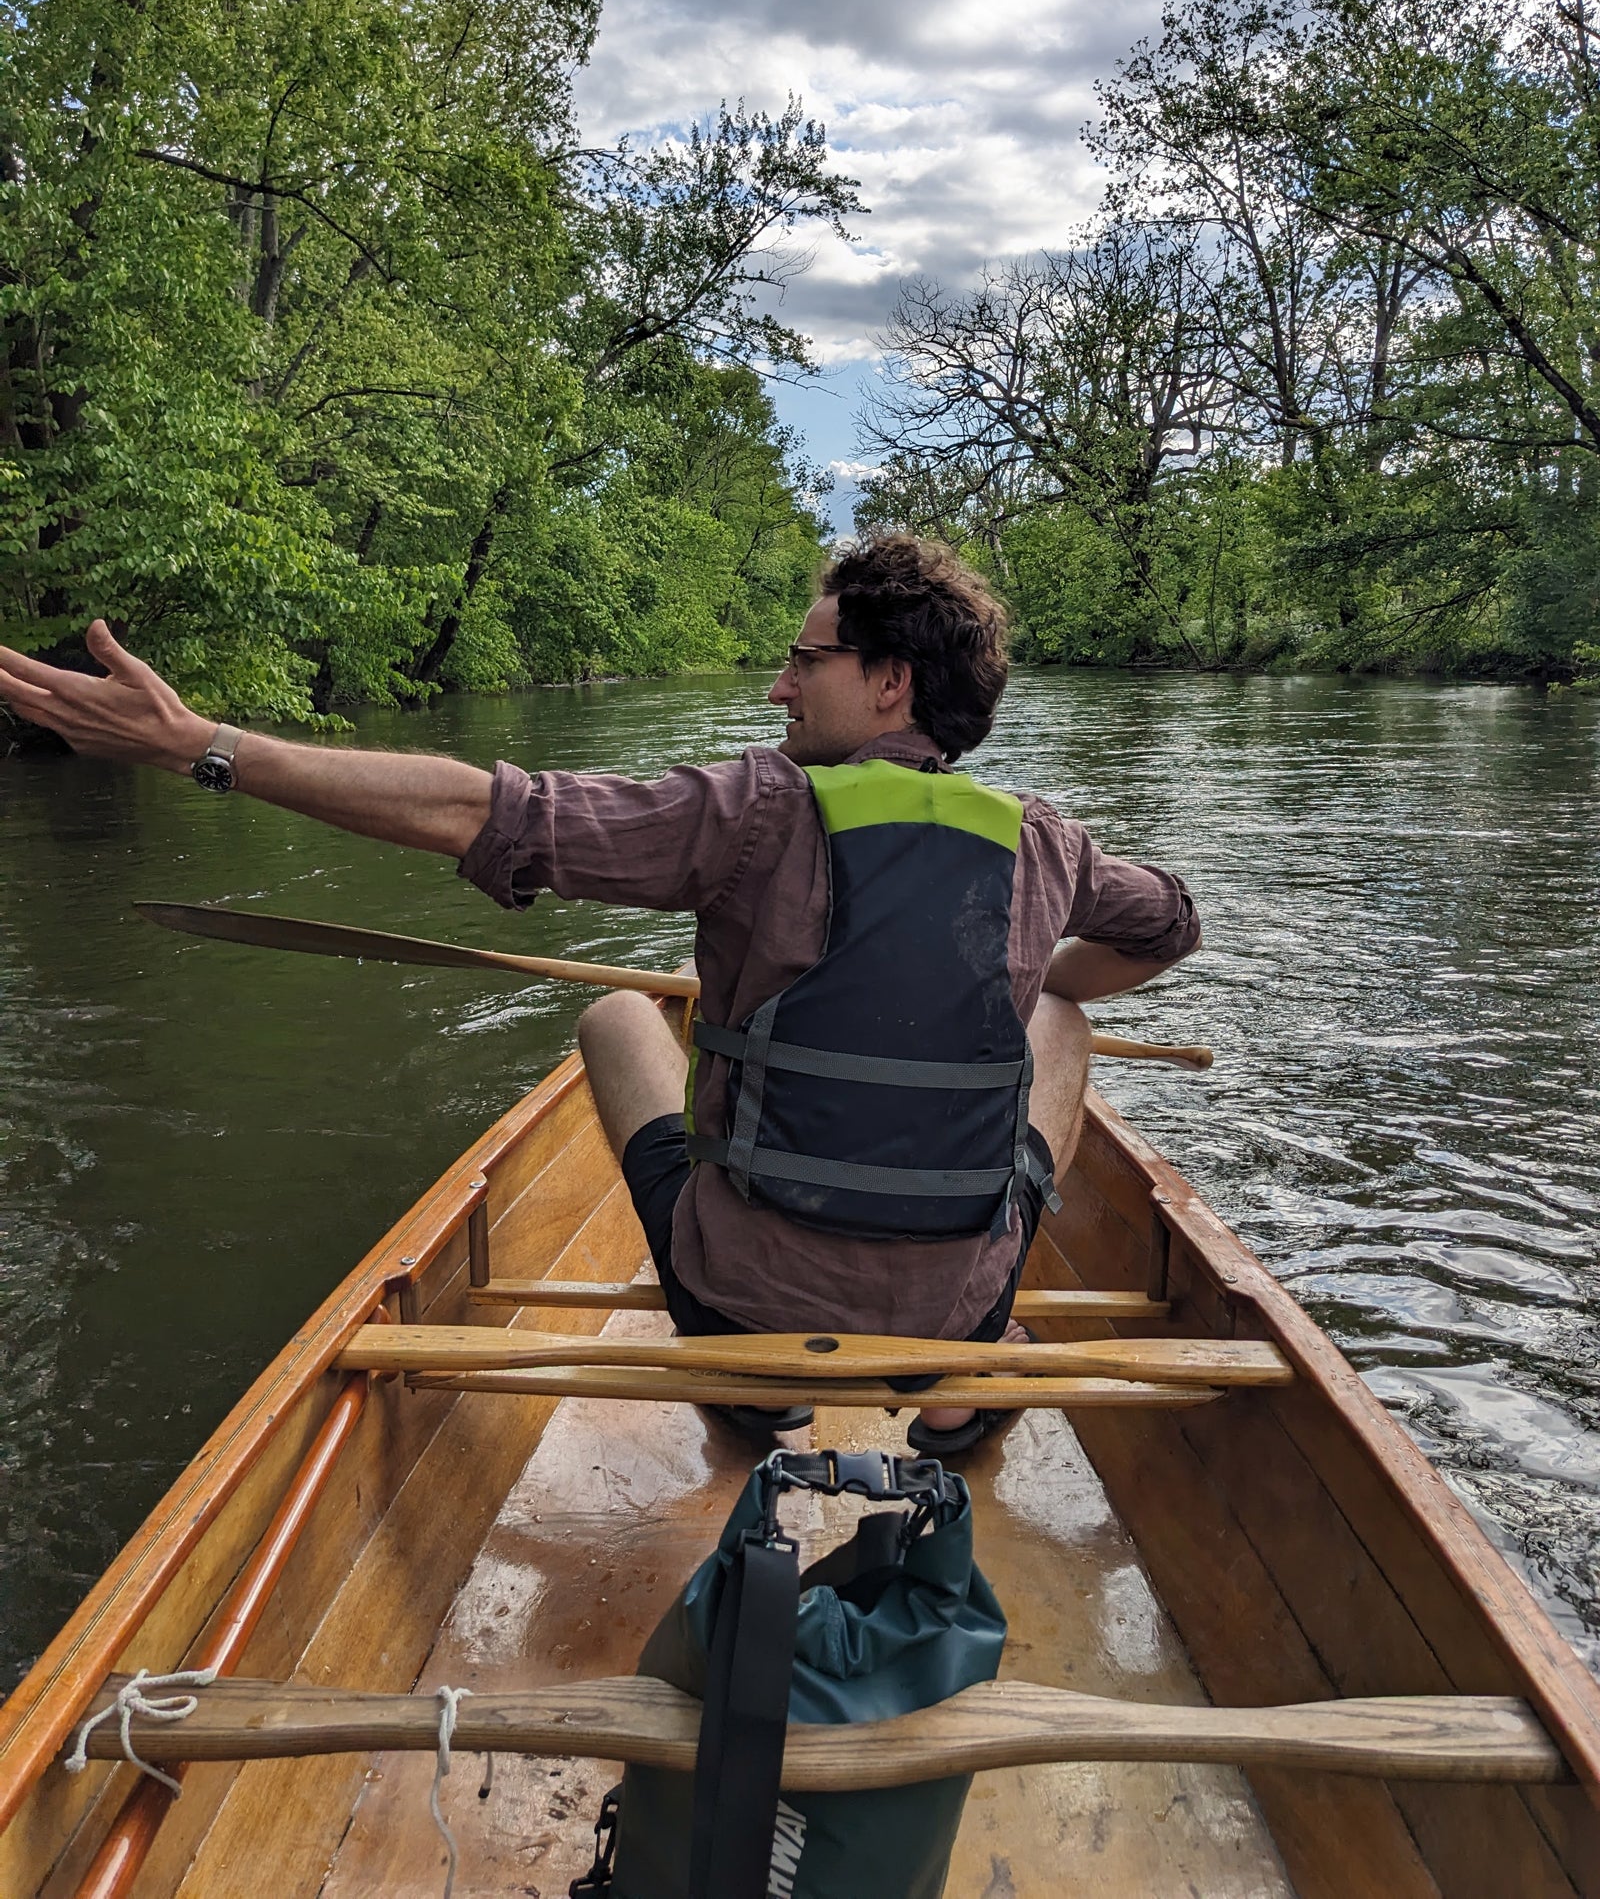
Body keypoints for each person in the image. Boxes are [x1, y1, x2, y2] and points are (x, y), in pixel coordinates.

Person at [0, 534, 1201, 1453]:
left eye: (803, 659)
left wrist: (199, 745)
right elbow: (1171, 926)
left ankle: (742, 1389)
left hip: (744, 1306)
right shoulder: (1048, 844)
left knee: (622, 1013)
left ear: (888, 682)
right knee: (1056, 1014)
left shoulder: (753, 812)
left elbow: (480, 810)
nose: (779, 687)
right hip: (960, 1306)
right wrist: (1032, 975)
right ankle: (958, 1400)